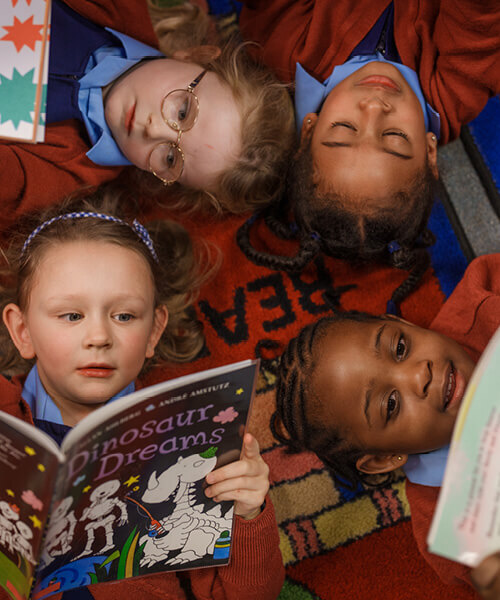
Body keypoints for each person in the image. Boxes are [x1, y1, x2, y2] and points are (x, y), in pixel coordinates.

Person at [0, 189, 285, 600]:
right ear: (23, 330)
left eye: (124, 316)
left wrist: (248, 513)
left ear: (153, 330)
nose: (98, 337)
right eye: (72, 315)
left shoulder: (192, 443)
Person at [237, 0, 500, 314]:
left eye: (345, 128)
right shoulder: (457, 90)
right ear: (430, 152)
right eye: (395, 137)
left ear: (308, 131)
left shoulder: (280, 48)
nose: (374, 108)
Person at [271, 252, 500, 597]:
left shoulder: (483, 299)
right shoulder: (450, 532)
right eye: (390, 405)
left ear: (403, 325)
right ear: (383, 459)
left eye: (400, 347)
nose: (420, 373)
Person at [0, 0, 294, 231]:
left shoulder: (60, 175)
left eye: (170, 158)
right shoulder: (116, 8)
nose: (154, 131)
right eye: (182, 111)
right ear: (196, 57)